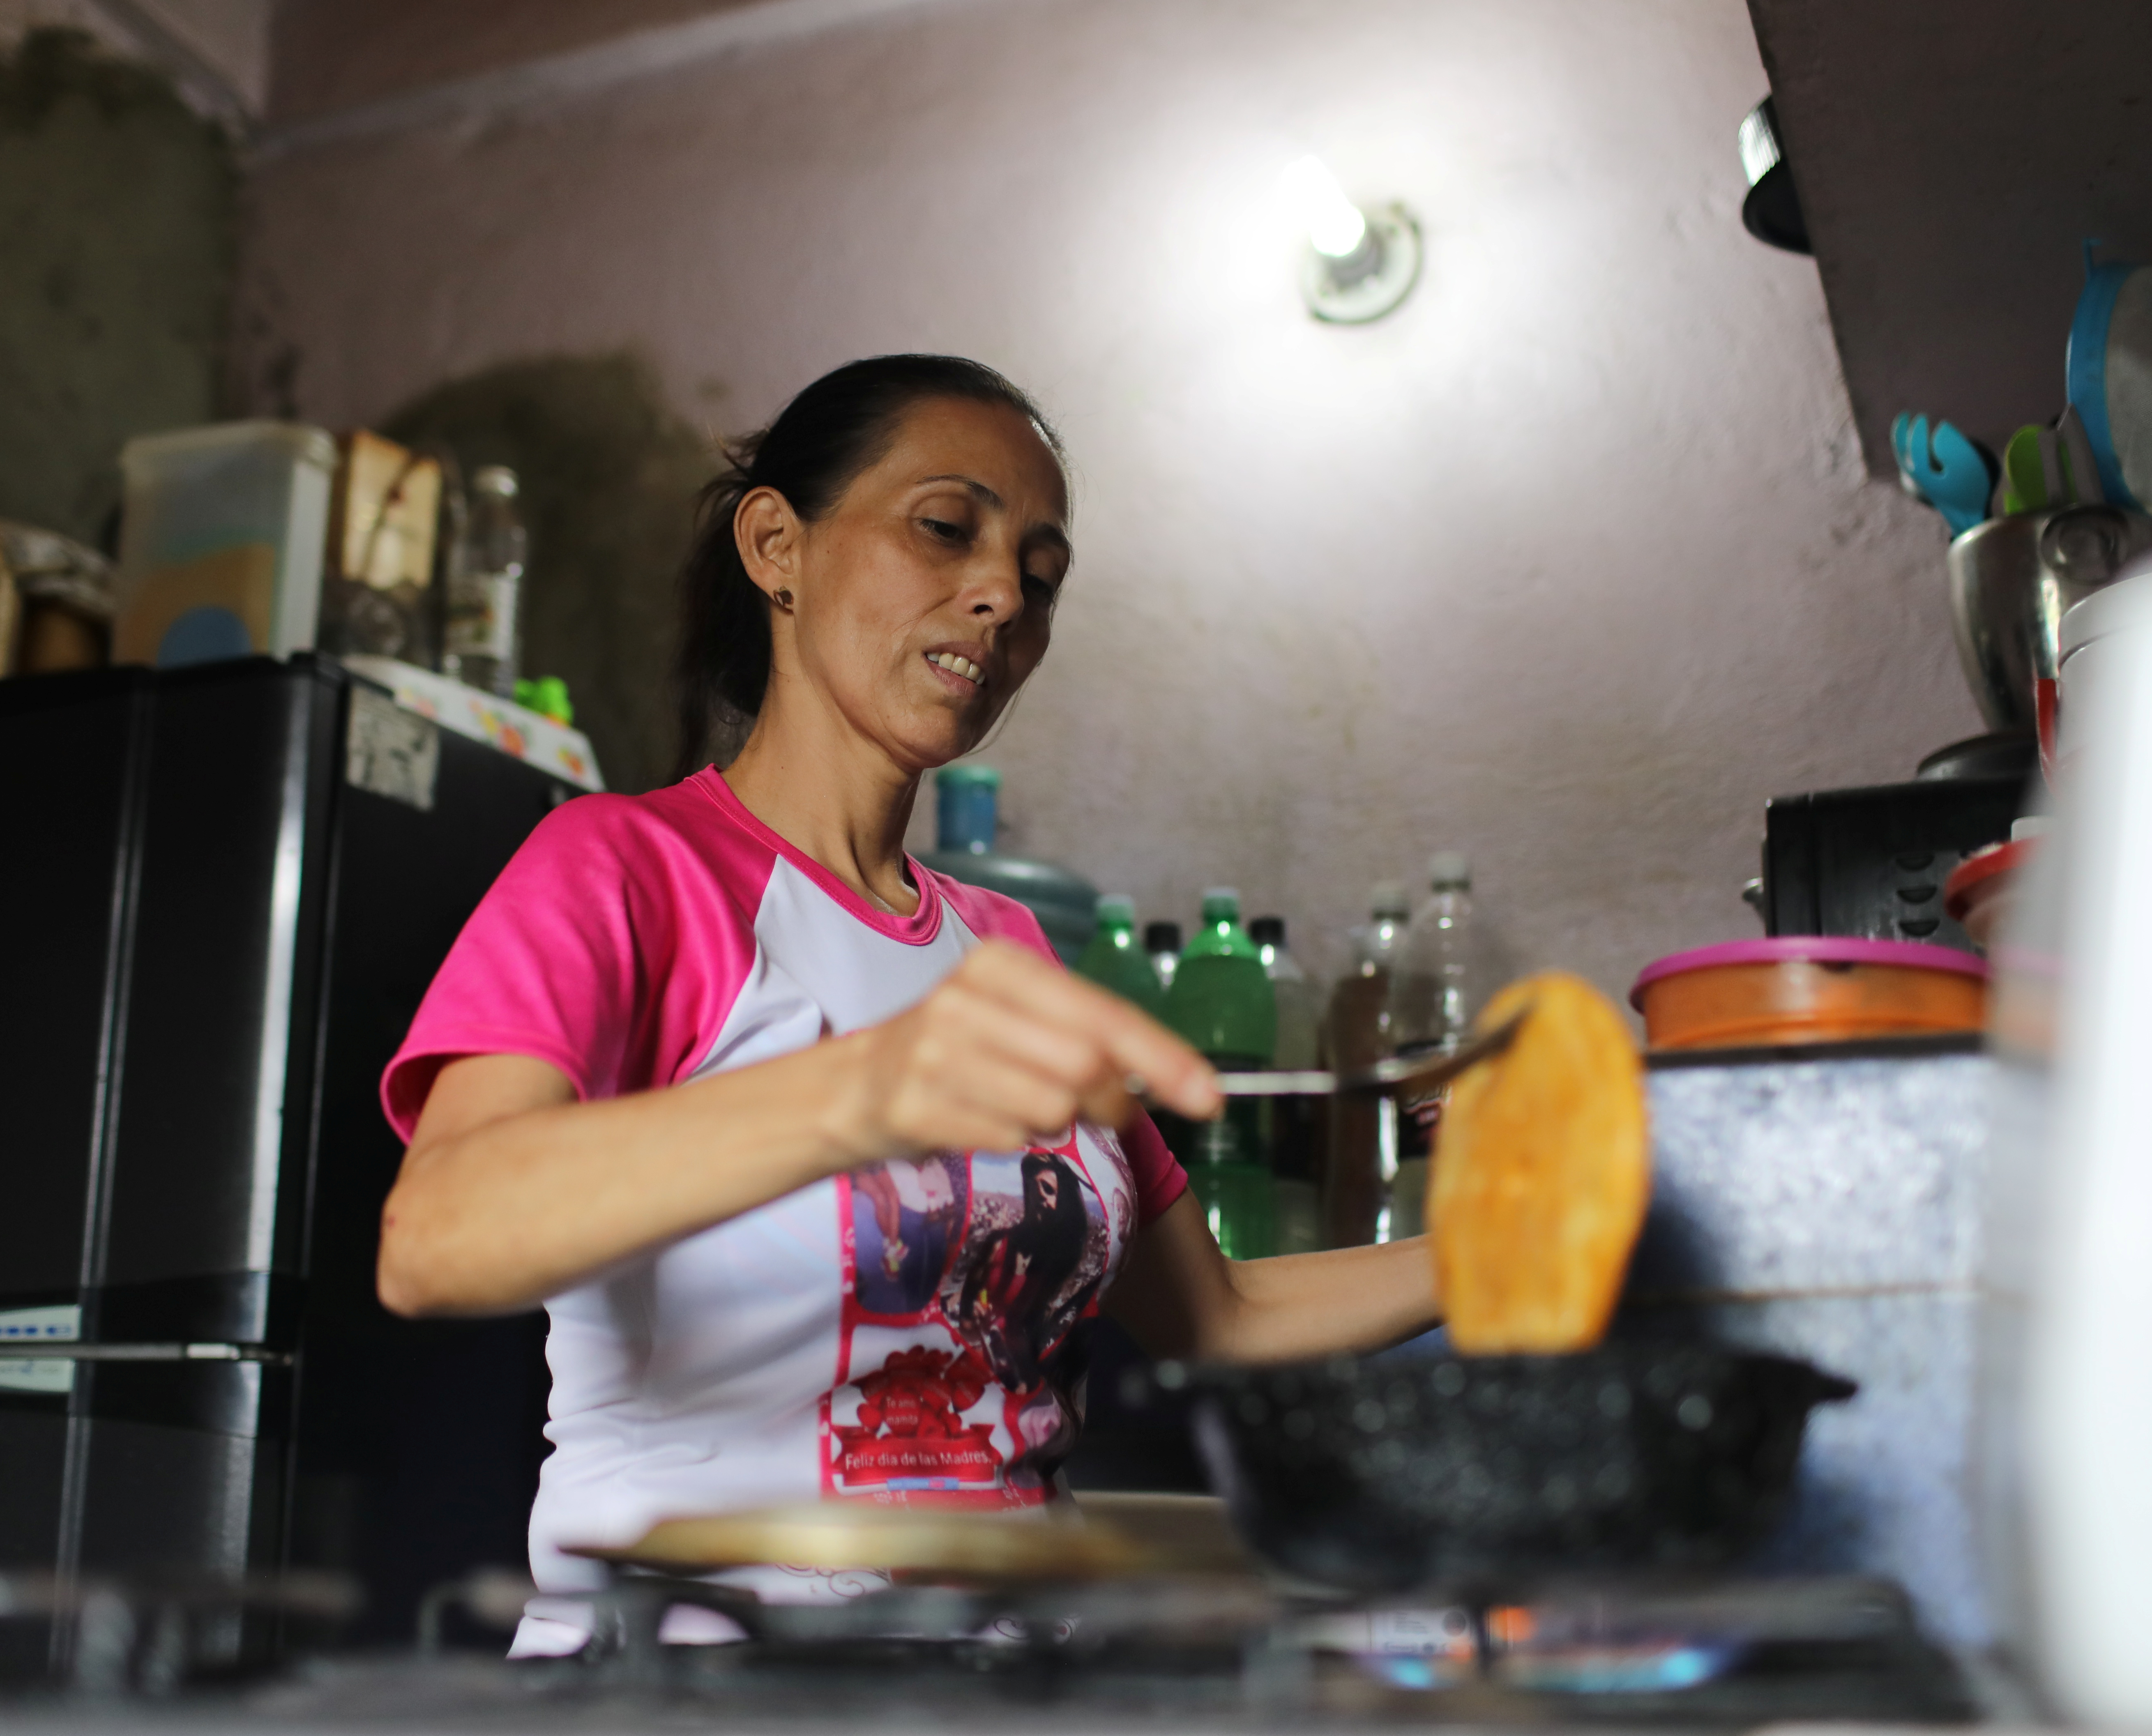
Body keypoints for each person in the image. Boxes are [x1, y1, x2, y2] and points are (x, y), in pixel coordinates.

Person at [375, 355, 1441, 1654]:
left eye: (1041, 578)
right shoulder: (626, 868)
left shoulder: (1003, 947)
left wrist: (1510, 1239)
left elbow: (1220, 1314)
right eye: (946, 528)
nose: (1001, 595)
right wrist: (861, 1090)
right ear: (779, 545)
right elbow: (434, 1235)